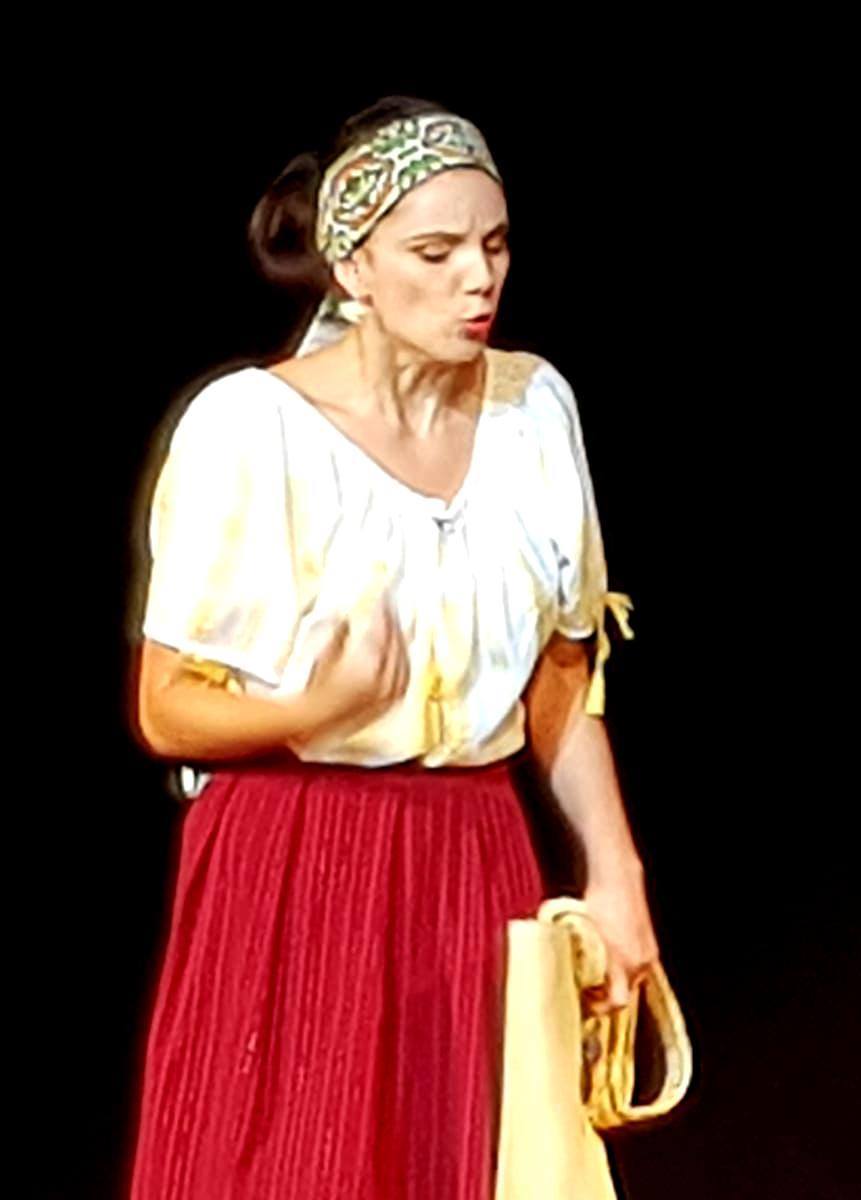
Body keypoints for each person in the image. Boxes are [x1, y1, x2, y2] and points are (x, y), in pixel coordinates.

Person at [128, 98, 659, 1199]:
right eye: (436, 251)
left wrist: (618, 880)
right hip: (295, 862)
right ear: (354, 267)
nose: (478, 278)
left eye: (495, 245)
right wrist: (310, 710)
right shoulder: (251, 430)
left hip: (472, 857)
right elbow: (167, 706)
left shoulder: (532, 411)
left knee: (463, 1166)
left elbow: (562, 675)